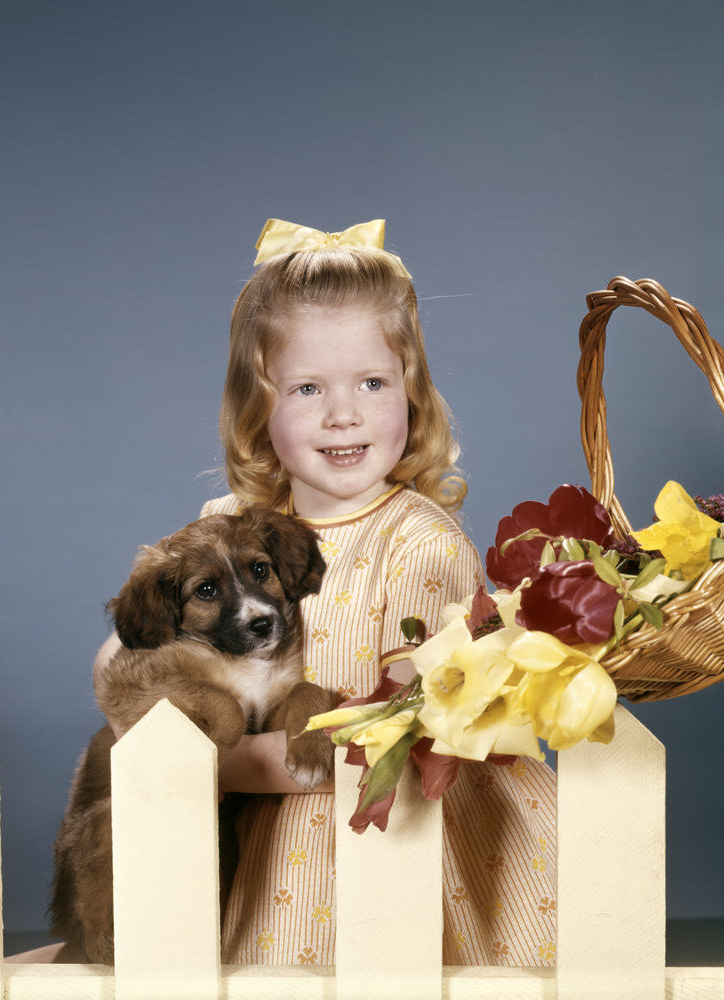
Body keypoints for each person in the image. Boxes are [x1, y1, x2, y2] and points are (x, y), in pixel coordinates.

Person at [94, 219, 556, 967]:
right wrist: (146, 721)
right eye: (307, 388)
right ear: (258, 408)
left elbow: (395, 744)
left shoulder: (422, 547)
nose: (343, 414)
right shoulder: (225, 529)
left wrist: (198, 765)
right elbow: (122, 662)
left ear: (412, 391)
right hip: (270, 844)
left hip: (382, 834)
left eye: (372, 383)